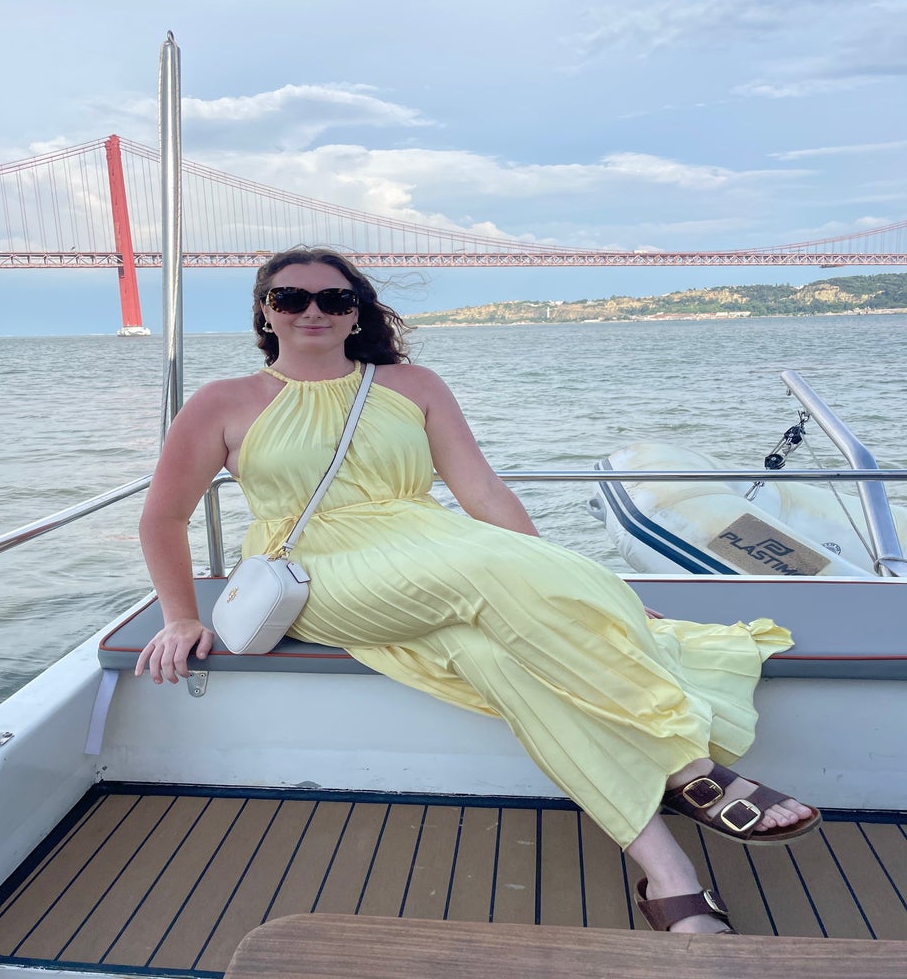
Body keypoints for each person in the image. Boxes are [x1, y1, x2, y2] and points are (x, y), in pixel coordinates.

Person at [136, 245, 820, 936]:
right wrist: (178, 616)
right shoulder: (223, 402)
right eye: (292, 298)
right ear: (265, 313)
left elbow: (483, 493)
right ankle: (689, 767)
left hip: (429, 543)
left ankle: (670, 878)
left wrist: (571, 589)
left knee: (495, 658)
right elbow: (163, 516)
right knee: (506, 577)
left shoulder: (413, 385)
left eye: (334, 300)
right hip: (317, 567)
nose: (313, 310)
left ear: (355, 315)